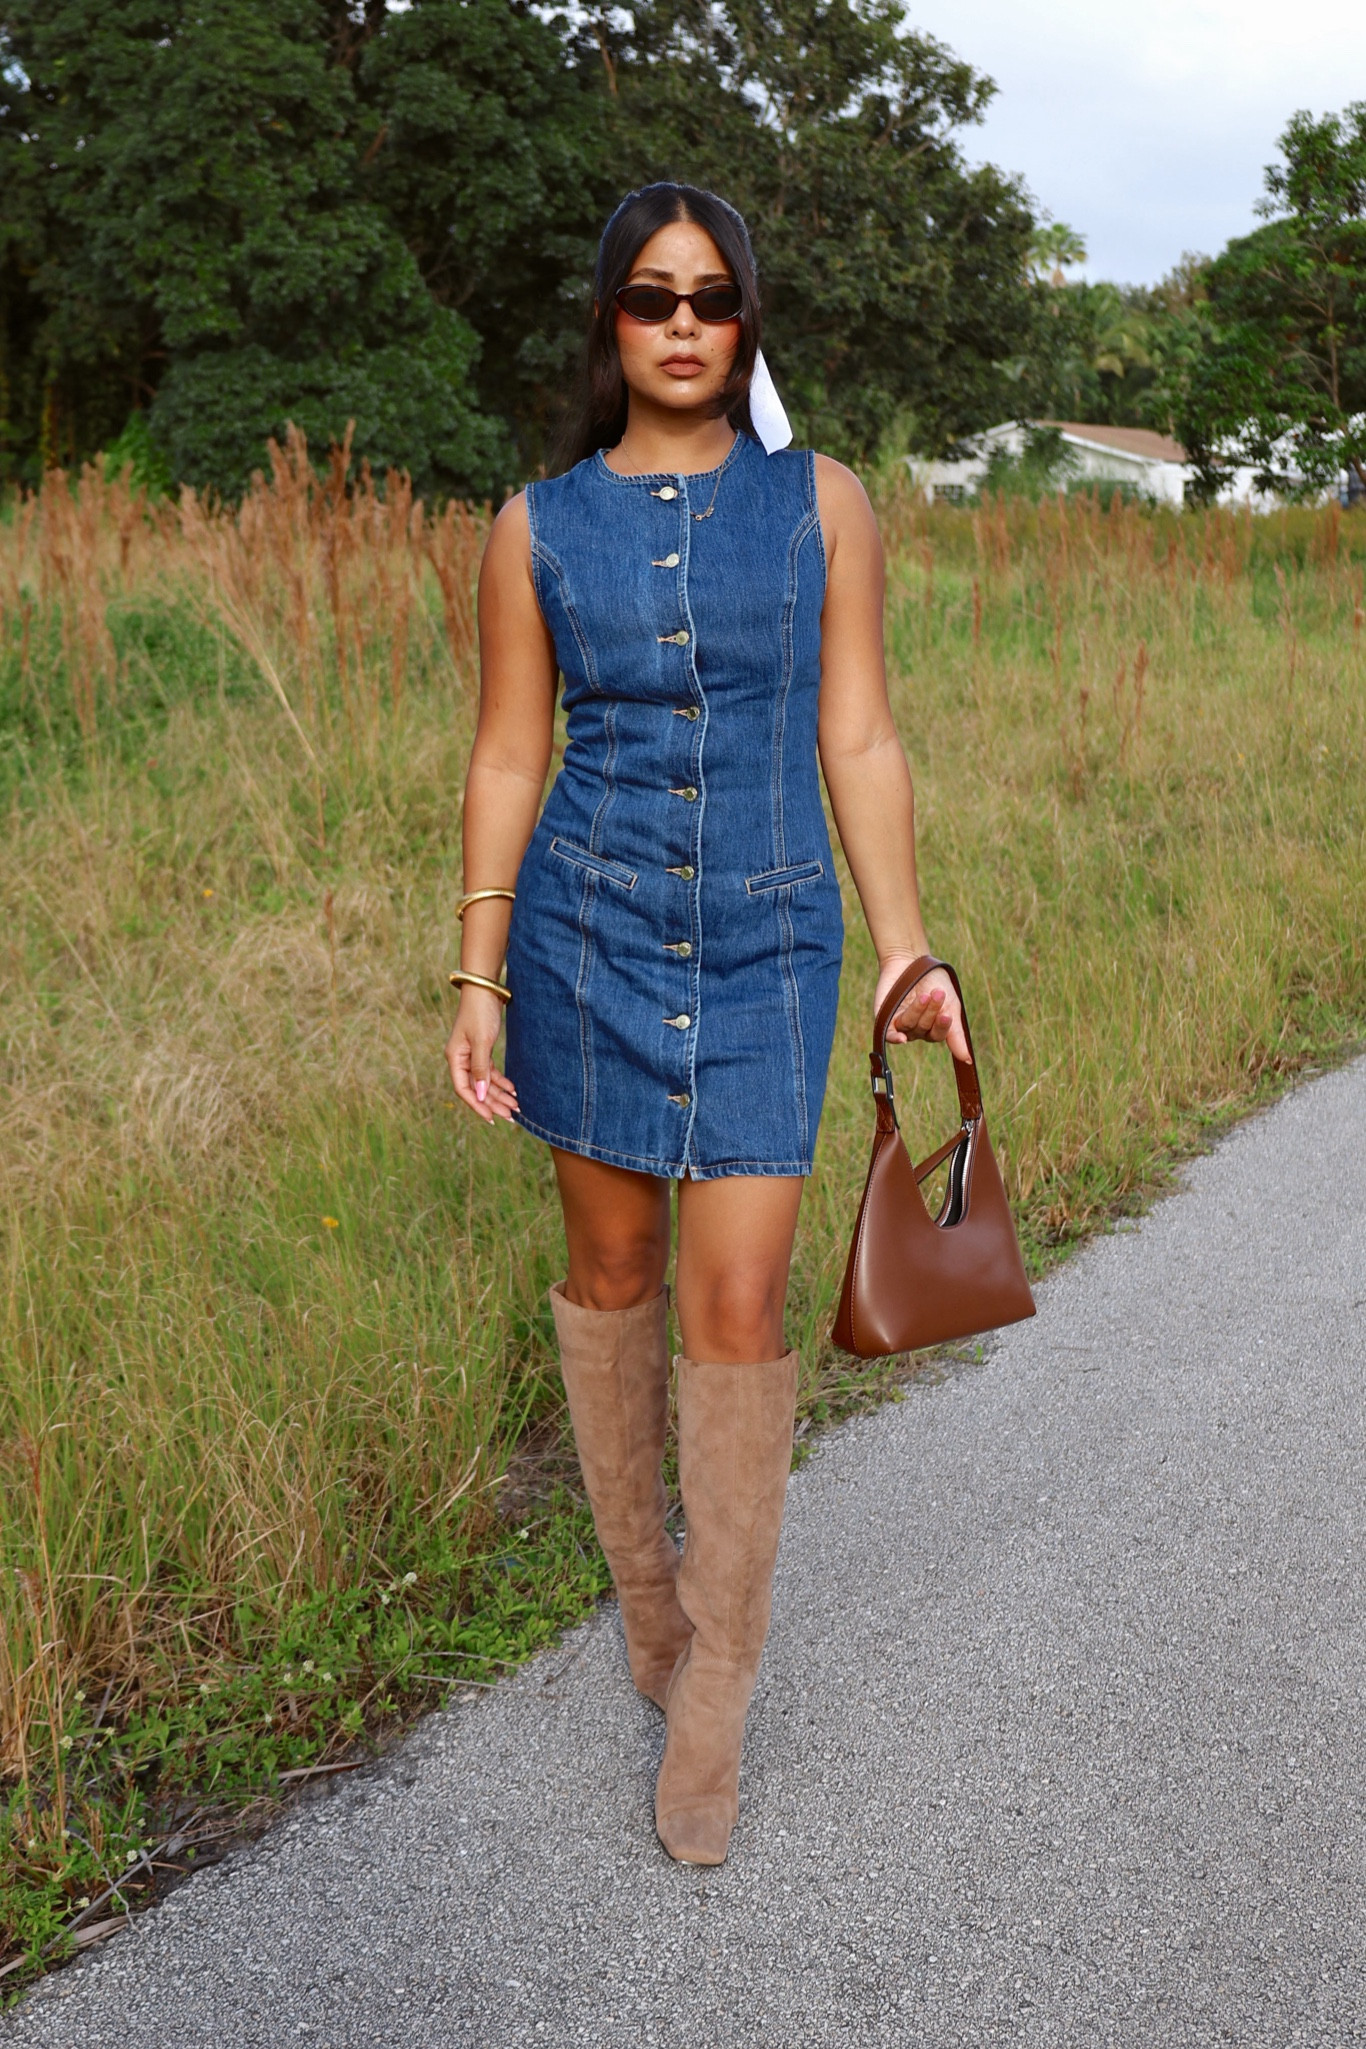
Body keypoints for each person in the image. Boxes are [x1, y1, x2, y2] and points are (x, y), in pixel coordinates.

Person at [445, 182, 969, 1867]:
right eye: (651, 297)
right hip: (581, 937)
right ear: (608, 320)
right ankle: (652, 1619)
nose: (683, 324)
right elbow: (510, 753)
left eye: (716, 298)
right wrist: (476, 972)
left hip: (766, 944)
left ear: (747, 324)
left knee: (735, 1299)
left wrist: (906, 949)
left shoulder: (821, 504)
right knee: (611, 1281)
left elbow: (862, 735)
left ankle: (718, 1688)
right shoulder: (533, 526)